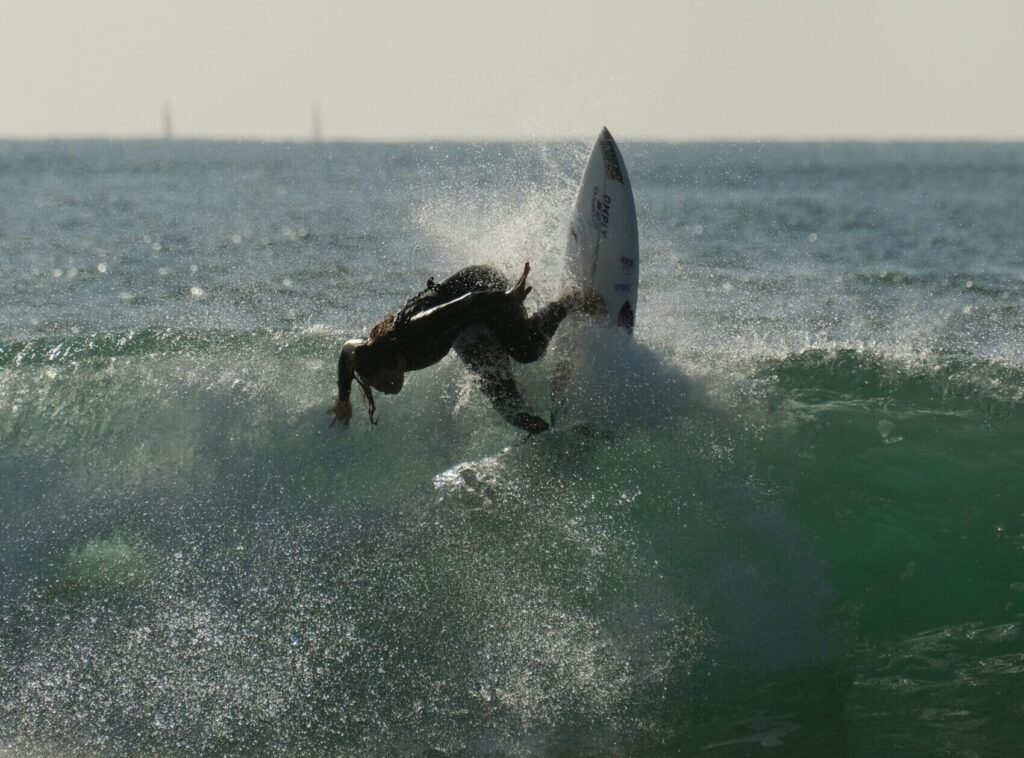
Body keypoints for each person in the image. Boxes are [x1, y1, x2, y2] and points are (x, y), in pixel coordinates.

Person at [330, 262, 602, 433]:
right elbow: (346, 351)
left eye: (383, 382)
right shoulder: (372, 351)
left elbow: (468, 303)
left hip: (479, 287)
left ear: (393, 363)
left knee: (525, 350)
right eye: (378, 388)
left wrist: (507, 297)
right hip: (464, 326)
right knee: (511, 409)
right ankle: (550, 437)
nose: (385, 390)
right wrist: (343, 398)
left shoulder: (419, 330)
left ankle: (570, 300)